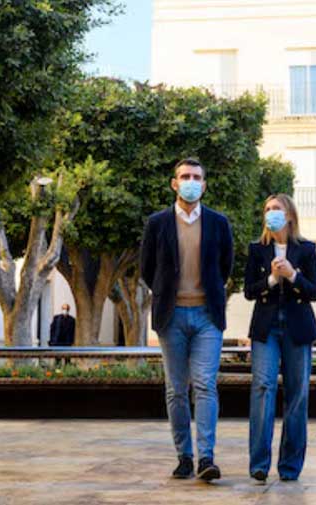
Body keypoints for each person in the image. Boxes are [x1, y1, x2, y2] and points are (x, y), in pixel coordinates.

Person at [140, 158, 233, 482]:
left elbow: (225, 266)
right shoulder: (157, 223)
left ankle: (206, 457)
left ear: (204, 185)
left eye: (197, 176)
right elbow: (146, 269)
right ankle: (184, 456)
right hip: (172, 315)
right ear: (174, 183)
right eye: (185, 176)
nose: (191, 181)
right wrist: (168, 293)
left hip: (208, 315)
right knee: (176, 389)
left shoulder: (219, 223)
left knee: (206, 385)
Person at [244, 194, 316, 484]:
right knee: (262, 388)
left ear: (289, 214)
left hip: (298, 327)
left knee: (297, 395)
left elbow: (314, 292)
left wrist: (292, 275)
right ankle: (259, 465)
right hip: (266, 328)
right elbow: (250, 290)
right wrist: (272, 280)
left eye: (276, 208)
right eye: (267, 209)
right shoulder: (256, 249)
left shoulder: (307, 249)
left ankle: (290, 467)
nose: (271, 213)